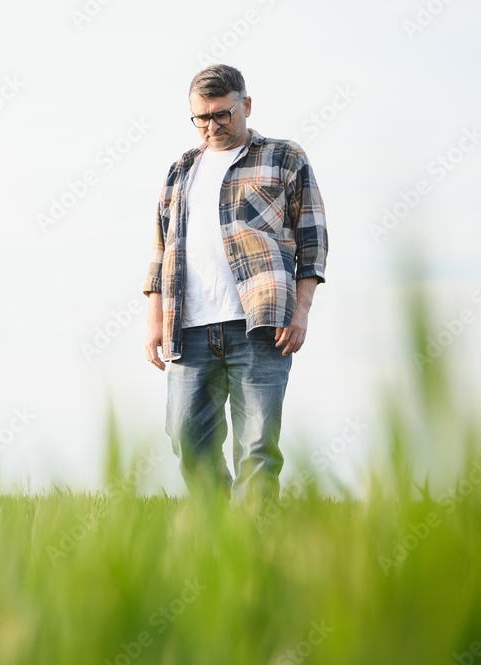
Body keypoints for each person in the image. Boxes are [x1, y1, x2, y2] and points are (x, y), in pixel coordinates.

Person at [142, 64, 328, 505]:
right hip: (188, 328)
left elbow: (312, 241)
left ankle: (255, 544)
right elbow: (159, 250)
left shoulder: (285, 157)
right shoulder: (181, 170)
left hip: (260, 325)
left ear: (246, 105)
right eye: (202, 118)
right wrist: (154, 321)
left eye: (223, 114)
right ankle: (219, 533)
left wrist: (300, 312)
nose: (212, 126)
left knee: (257, 447)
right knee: (186, 437)